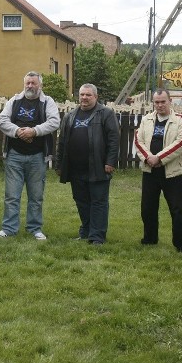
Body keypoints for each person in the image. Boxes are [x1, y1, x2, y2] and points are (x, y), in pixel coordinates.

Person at [0, 71, 60, 240]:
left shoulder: (48, 102)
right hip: (15, 155)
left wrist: (34, 131)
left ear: (40, 85)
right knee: (11, 195)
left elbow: (54, 121)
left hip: (37, 156)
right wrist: (17, 131)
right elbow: (2, 120)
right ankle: (8, 228)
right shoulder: (14, 100)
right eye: (28, 83)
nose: (30, 86)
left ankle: (35, 228)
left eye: (33, 83)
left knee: (36, 196)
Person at [55, 83, 120, 245]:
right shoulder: (70, 116)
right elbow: (62, 142)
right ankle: (86, 231)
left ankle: (97, 236)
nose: (84, 97)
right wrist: (59, 164)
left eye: (88, 95)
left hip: (98, 166)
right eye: (82, 94)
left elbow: (114, 139)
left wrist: (110, 161)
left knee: (98, 202)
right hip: (75, 168)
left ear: (95, 97)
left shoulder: (106, 114)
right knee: (81, 200)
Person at [134, 89, 182, 252]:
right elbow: (138, 141)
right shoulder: (146, 120)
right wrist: (148, 158)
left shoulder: (180, 120)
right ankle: (150, 239)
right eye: (156, 102)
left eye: (163, 101)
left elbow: (181, 143)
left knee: (178, 209)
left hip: (172, 172)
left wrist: (158, 158)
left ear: (170, 101)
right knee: (147, 208)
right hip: (150, 171)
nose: (159, 105)